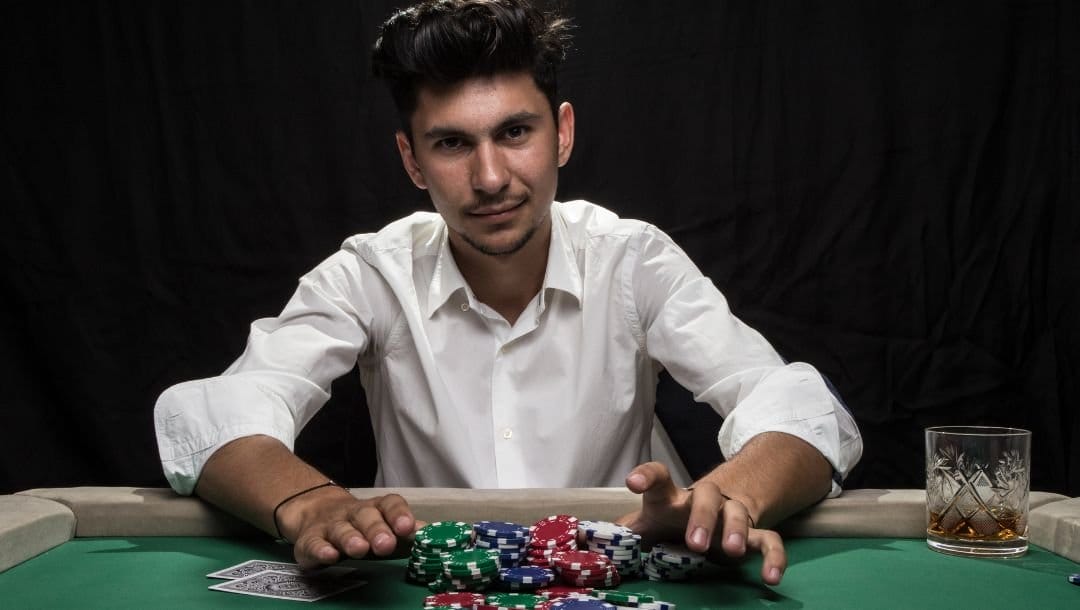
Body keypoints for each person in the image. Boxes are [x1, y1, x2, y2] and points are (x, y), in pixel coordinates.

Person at [154, 0, 862, 586]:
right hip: (432, 587)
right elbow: (217, 412)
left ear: (562, 134)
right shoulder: (371, 271)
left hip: (626, 585)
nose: (490, 177)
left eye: (515, 132)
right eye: (453, 144)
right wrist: (306, 503)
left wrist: (731, 498)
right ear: (411, 160)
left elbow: (798, 406)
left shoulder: (632, 257)